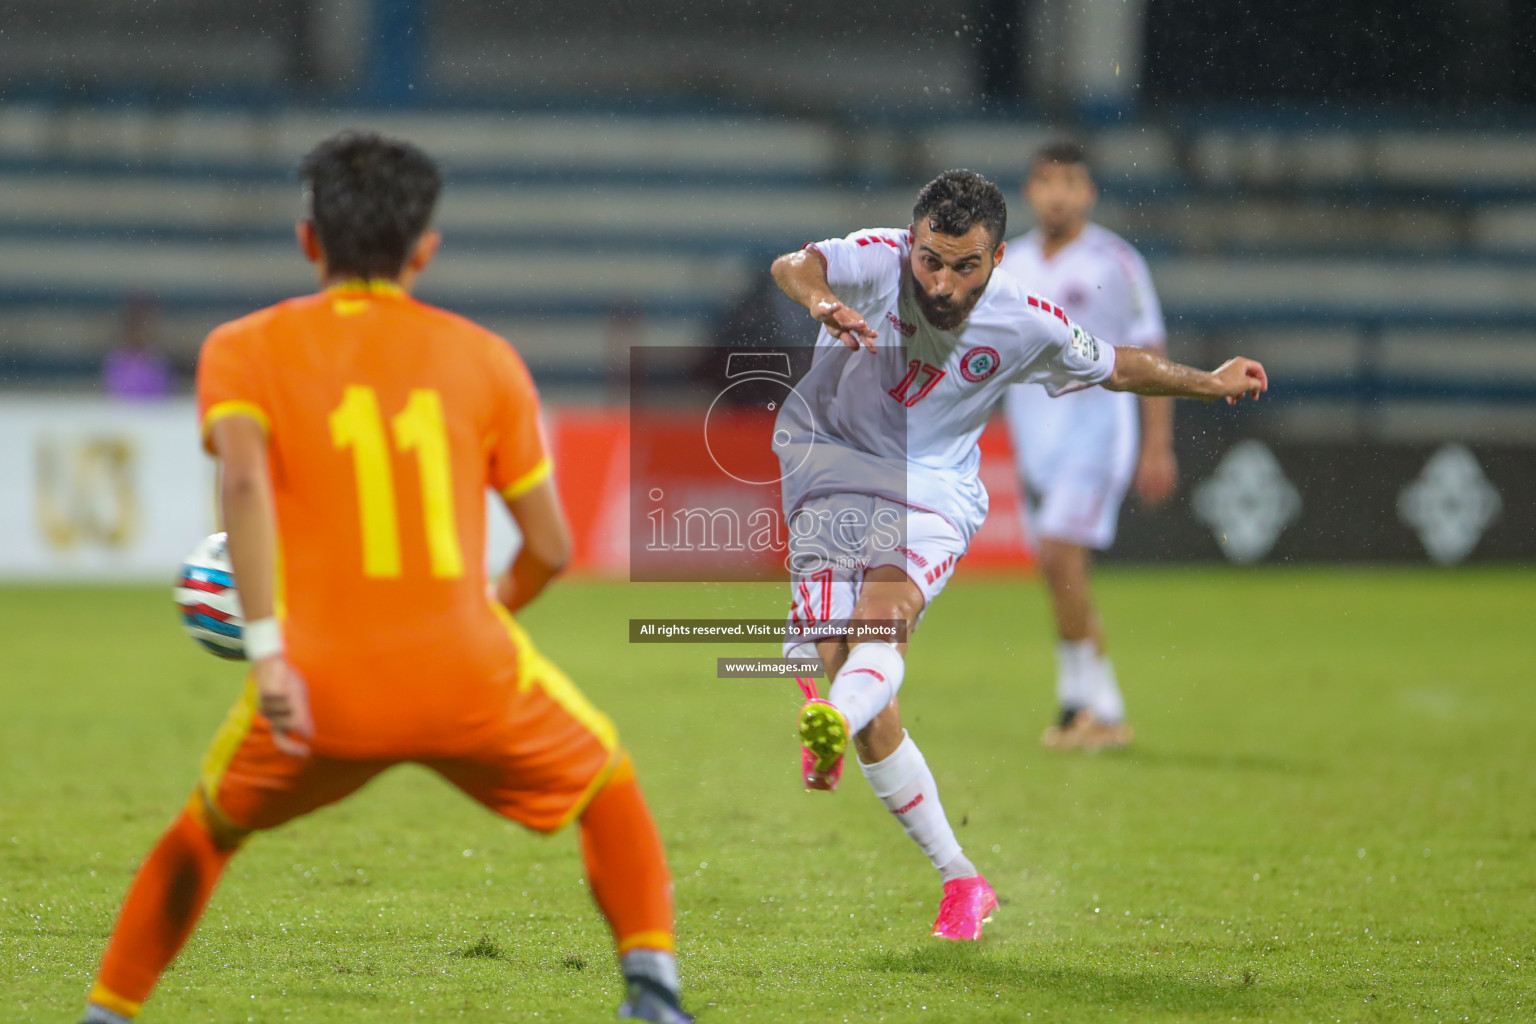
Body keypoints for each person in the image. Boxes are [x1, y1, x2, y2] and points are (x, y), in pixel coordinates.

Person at [80, 132, 689, 1024]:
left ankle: (107, 1012)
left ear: (308, 240)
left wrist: (268, 649)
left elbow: (243, 487)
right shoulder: (485, 359)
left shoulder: (242, 349)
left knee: (205, 832)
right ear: (425, 248)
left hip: (317, 685)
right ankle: (654, 995)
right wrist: (488, 614)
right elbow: (551, 547)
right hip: (466, 669)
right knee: (607, 784)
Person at [770, 170, 1266, 941]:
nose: (940, 281)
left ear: (997, 260)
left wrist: (1209, 381)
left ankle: (832, 716)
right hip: (829, 472)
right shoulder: (877, 258)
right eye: (931, 260)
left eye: (964, 265)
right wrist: (821, 302)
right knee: (857, 694)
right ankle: (962, 874)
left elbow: (1121, 365)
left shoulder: (1025, 322)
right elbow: (793, 266)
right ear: (913, 243)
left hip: (931, 488)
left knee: (883, 623)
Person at [1000, 140, 1174, 751]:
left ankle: (1089, 705)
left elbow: (1149, 356)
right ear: (1029, 191)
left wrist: (1158, 445)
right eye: (1046, 181)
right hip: (1035, 439)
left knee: (1057, 555)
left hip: (1098, 434)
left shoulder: (1116, 263)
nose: (1057, 193)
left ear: (1088, 192)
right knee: (1060, 571)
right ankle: (1096, 704)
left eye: (1069, 182)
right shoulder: (1007, 265)